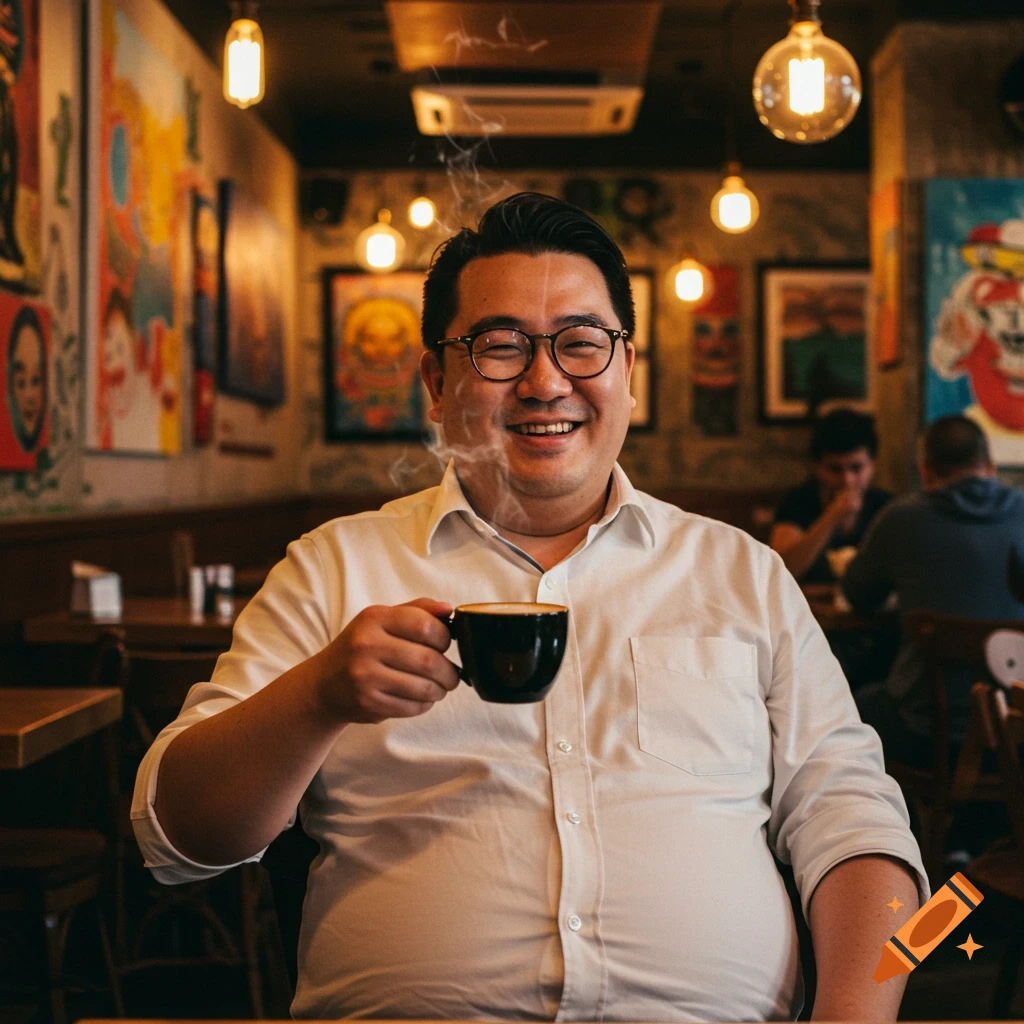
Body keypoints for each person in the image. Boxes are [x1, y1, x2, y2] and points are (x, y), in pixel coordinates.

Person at [134, 193, 925, 1022]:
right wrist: (317, 698)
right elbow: (176, 839)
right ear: (438, 384)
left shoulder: (743, 574)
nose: (547, 383)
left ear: (627, 371)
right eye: (500, 347)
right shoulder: (334, 568)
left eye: (582, 345)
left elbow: (860, 824)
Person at [843, 415, 1024, 768]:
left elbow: (857, 594)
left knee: (853, 706)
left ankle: (899, 819)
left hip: (925, 732)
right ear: (991, 467)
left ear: (925, 472)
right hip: (1016, 729)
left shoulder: (900, 518)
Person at [771, 408, 892, 583]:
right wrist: (832, 517)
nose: (847, 480)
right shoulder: (798, 502)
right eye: (835, 469)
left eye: (856, 468)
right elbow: (782, 571)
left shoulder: (887, 507)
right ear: (817, 467)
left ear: (872, 465)